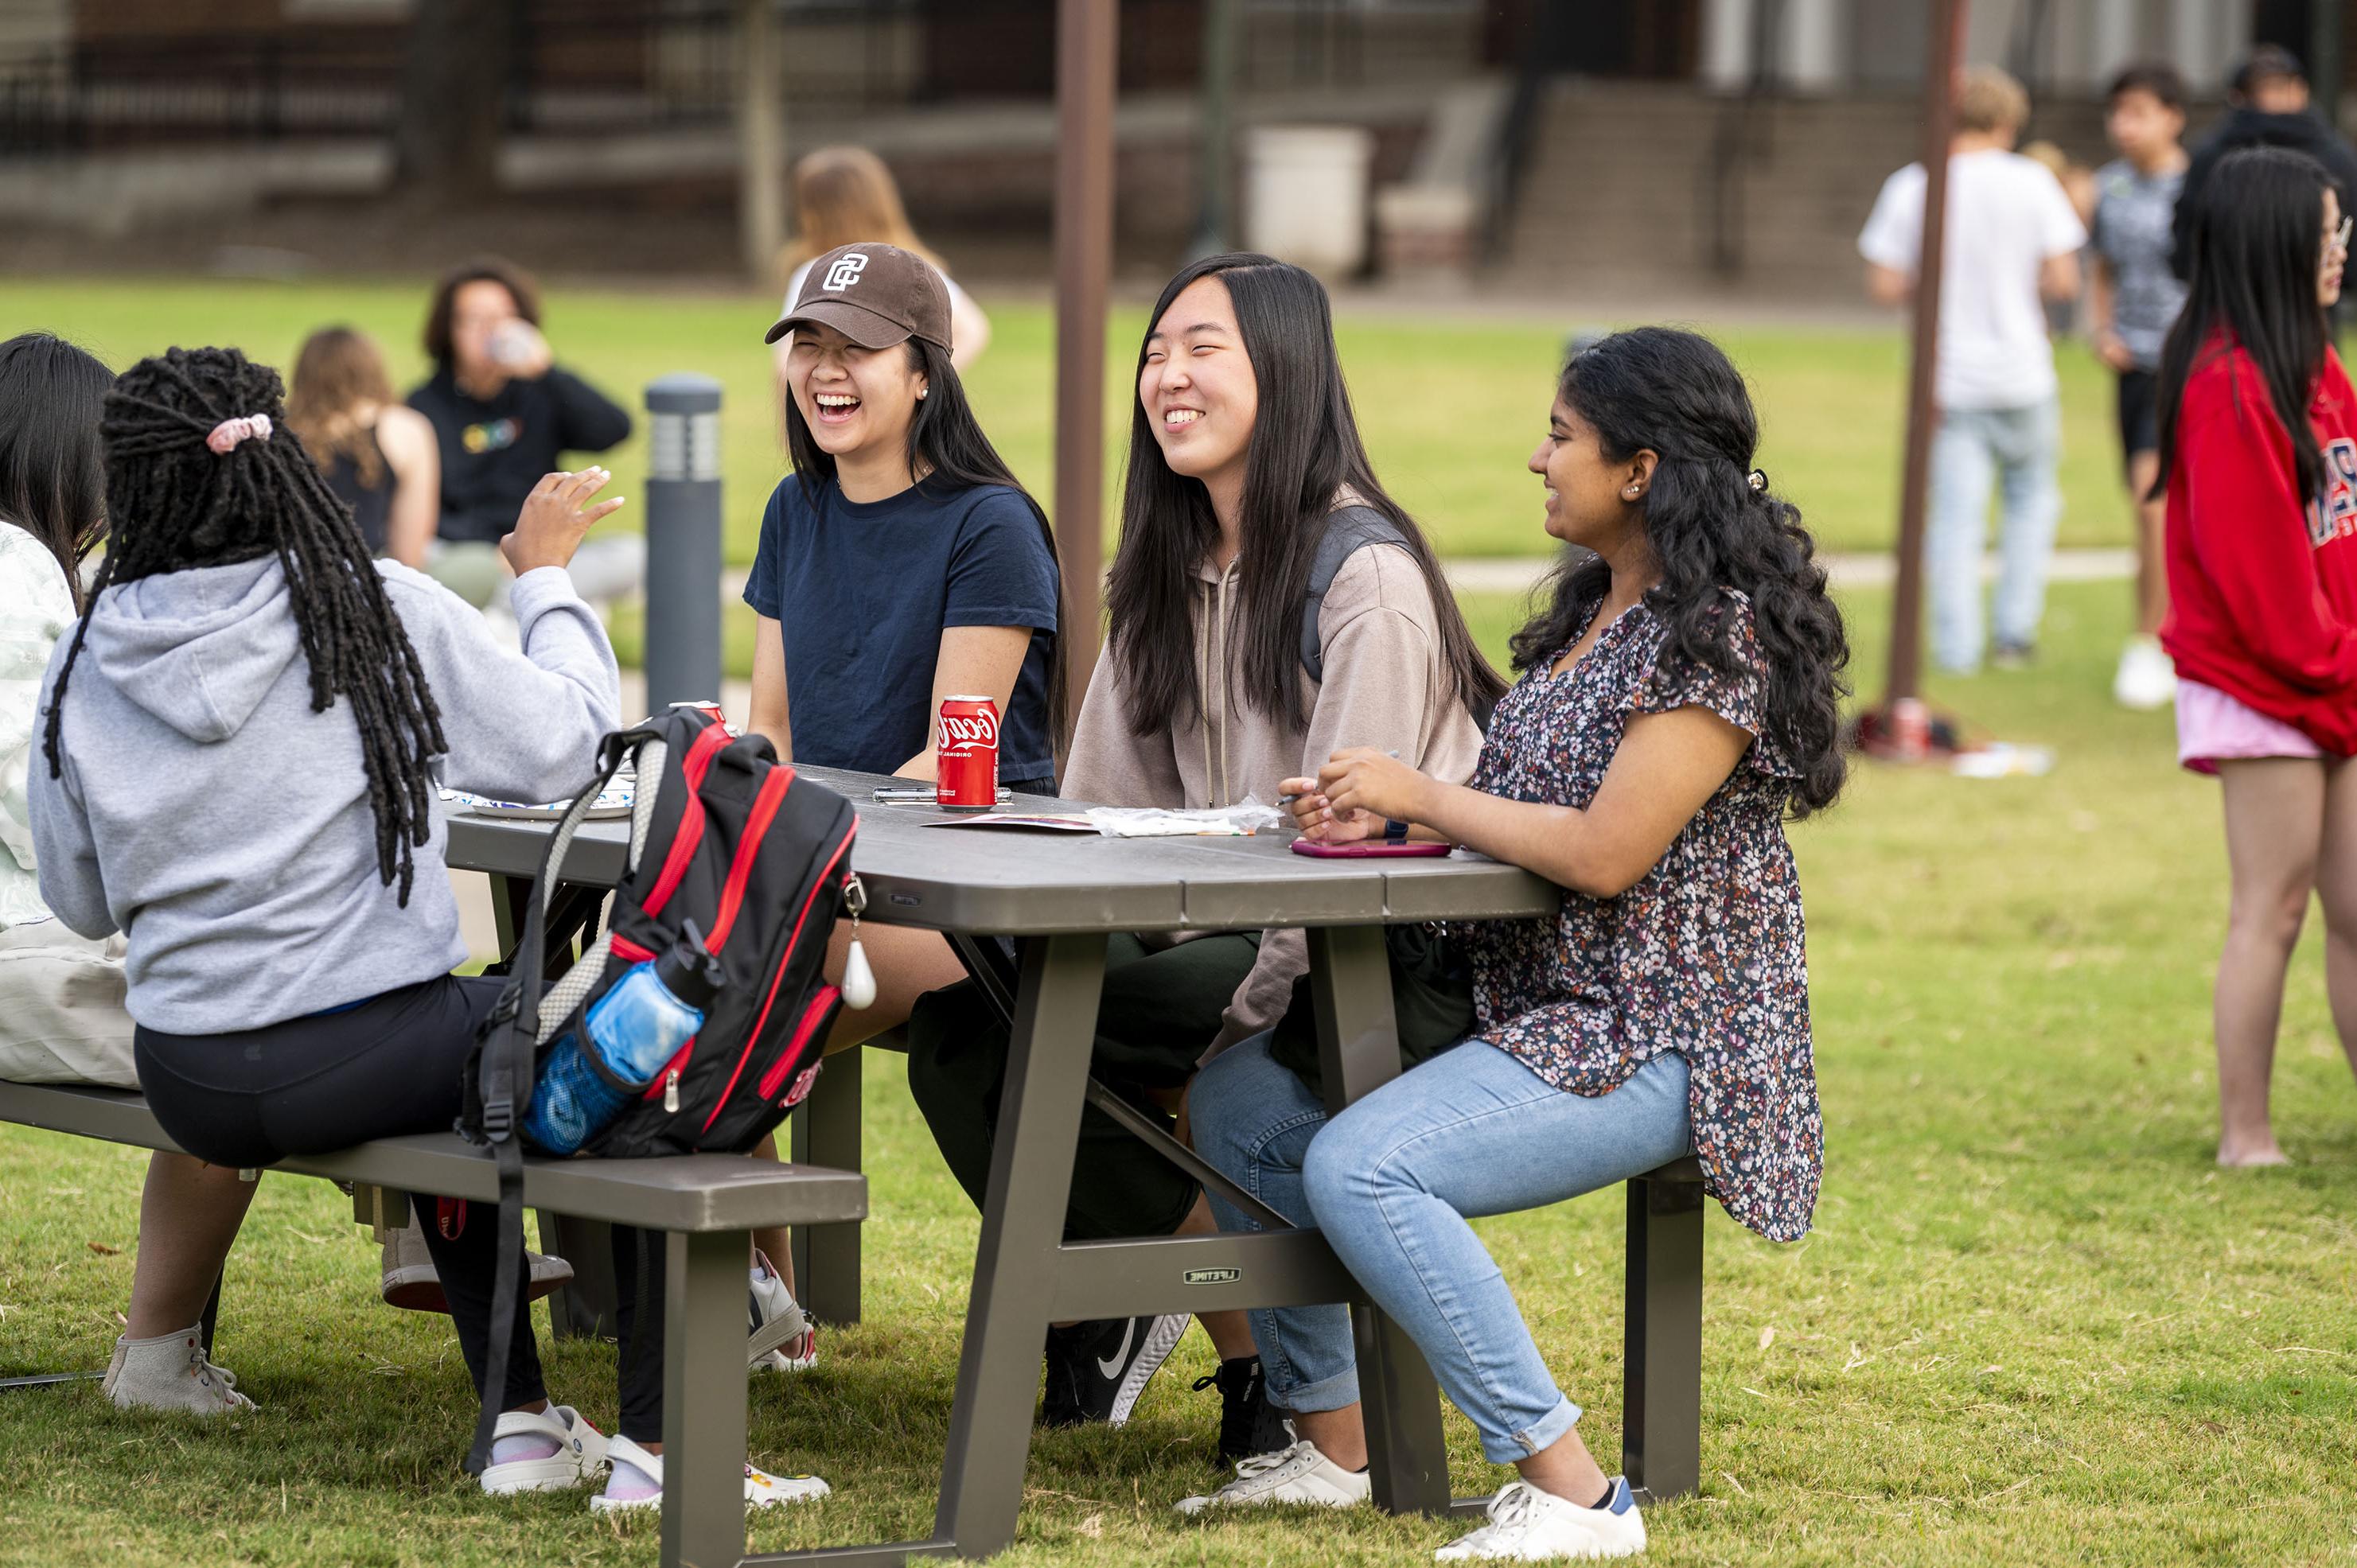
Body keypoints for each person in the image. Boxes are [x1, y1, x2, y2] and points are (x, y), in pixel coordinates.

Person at [30, 346, 826, 1514]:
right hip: (356, 1048)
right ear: (281, 463)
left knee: (484, 1051)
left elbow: (83, 898)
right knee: (625, 1046)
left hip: (189, 1074)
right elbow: (563, 742)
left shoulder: (84, 655)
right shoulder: (364, 603)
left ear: (133, 490)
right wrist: (547, 580)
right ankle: (662, 1447)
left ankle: (518, 1427)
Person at [1182, 327, 1846, 1565]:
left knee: (1367, 1165)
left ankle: (1574, 1491)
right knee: (1231, 1097)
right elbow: (1527, 821)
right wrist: (1386, 815)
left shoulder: (1717, 638)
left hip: (1664, 1031)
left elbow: (1603, 851)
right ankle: (1331, 1442)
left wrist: (1424, 795)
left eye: (1559, 434)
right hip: (1530, 1004)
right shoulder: (1595, 613)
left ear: (1639, 468)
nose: (1534, 457)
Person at [902, 252, 1500, 1459]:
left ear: (1283, 372)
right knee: (965, 1027)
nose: (1165, 377)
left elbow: (1345, 863)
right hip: (1216, 930)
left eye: (1201, 349)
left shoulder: (1360, 577)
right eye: (1153, 352)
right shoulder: (1162, 576)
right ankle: (1184, 1314)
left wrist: (1238, 1022)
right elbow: (1092, 815)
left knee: (1072, 1022)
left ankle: (1173, 1319)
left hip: (1380, 956)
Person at [738, 240, 1065, 1362]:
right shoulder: (796, 508)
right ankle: (765, 1308)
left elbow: (947, 759)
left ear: (923, 371)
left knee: (729, 1000)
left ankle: (750, 1299)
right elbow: (771, 728)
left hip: (967, 888)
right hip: (827, 881)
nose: (827, 371)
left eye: (857, 348)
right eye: (809, 347)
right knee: (669, 976)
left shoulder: (990, 524)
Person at [0, 332, 265, 1415]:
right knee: (259, 1033)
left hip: (30, 938)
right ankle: (156, 1361)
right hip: (22, 954)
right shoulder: (14, 573)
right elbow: (40, 808)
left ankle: (418, 1231)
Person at [2152, 146, 2357, 1168]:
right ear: (2276, 242)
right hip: (2263, 684)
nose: (2340, 249)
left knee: (2355, 906)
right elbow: (2264, 590)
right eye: (2327, 231)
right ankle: (2247, 1135)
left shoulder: (2316, 367)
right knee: (2271, 907)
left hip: (2338, 676)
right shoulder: (2227, 388)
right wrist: (2337, 657)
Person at [1860, 65, 2086, 674]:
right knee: (2031, 501)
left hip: (1948, 375)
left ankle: (1957, 648)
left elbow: (1884, 281)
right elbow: (2064, 278)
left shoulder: (1915, 184)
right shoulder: (2034, 182)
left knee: (1956, 516)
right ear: (2008, 122)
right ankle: (2015, 633)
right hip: (2023, 371)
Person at [406, 257, 642, 614]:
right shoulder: (422, 407)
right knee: (427, 562)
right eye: (476, 320)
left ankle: (509, 610)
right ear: (449, 330)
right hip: (464, 556)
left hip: (539, 555)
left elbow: (613, 430)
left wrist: (548, 370)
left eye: (503, 318)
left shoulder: (540, 393)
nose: (492, 332)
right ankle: (543, 607)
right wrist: (496, 555)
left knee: (635, 555)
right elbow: (417, 514)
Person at [2090, 64, 2192, 711]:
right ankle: (2156, 639)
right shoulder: (2111, 187)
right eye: (2118, 112)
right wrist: (2102, 329)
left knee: (2165, 504)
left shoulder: (2200, 186)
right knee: (2147, 504)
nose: (2125, 126)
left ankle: (2155, 639)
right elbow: (2101, 267)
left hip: (2191, 366)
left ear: (2173, 116)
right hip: (2136, 369)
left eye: (2140, 112)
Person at [769, 146, 991, 387]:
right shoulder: (912, 268)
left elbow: (785, 367)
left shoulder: (818, 272)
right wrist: (923, 383)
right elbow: (973, 329)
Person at [2171, 45, 2357, 285]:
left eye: (2279, 89)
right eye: (2264, 90)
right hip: (2291, 300)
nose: (2272, 101)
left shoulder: (2211, 154)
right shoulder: (2336, 154)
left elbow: (2187, 248)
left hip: (2232, 296)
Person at [285, 326, 439, 569]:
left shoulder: (278, 430)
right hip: (366, 580)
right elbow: (409, 555)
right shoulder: (407, 428)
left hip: (289, 578)